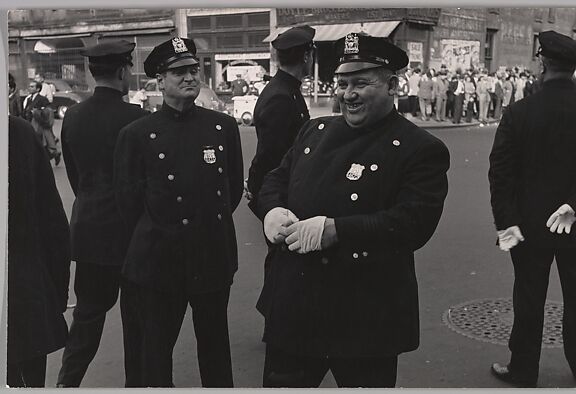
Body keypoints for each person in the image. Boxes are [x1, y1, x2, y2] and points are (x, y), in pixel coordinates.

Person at [256, 32, 450, 388]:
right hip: (297, 308)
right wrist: (272, 211)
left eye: (361, 83)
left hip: (365, 316)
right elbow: (275, 180)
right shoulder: (314, 131)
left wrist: (338, 230)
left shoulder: (420, 148)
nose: (349, 94)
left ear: (392, 85)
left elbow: (413, 223)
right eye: (342, 83)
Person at [114, 37, 243, 387]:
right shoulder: (137, 134)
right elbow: (128, 204)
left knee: (216, 349)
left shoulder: (222, 127)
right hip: (161, 262)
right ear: (159, 80)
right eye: (178, 72)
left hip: (212, 255)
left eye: (193, 69)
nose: (189, 77)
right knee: (156, 354)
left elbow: (229, 190)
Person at [488, 30, 576, 388]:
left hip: (528, 228)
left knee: (529, 298)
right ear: (575, 67)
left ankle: (523, 370)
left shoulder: (520, 112)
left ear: (543, 62)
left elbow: (501, 173)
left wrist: (507, 224)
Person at [56, 40, 148, 388]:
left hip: (90, 232)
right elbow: (144, 183)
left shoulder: (74, 116)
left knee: (87, 318)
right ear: (124, 71)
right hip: (132, 237)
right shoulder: (138, 118)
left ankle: (67, 383)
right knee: (137, 322)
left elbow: (76, 177)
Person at [246, 26, 315, 335]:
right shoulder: (281, 96)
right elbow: (272, 156)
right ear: (307, 57)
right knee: (280, 259)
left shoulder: (286, 89)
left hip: (280, 188)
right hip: (278, 192)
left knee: (281, 258)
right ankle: (275, 320)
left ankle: (277, 318)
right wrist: (264, 196)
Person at [7, 115, 71, 387]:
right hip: (25, 297)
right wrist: (56, 293)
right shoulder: (17, 131)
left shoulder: (18, 131)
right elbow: (52, 221)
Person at [22, 80, 61, 165]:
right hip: (30, 124)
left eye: (32, 87)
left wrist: (37, 112)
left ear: (38, 89)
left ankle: (53, 156)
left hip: (40, 126)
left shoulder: (43, 99)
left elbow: (48, 113)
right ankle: (50, 156)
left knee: (43, 144)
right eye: (29, 86)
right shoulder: (29, 99)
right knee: (39, 145)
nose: (29, 88)